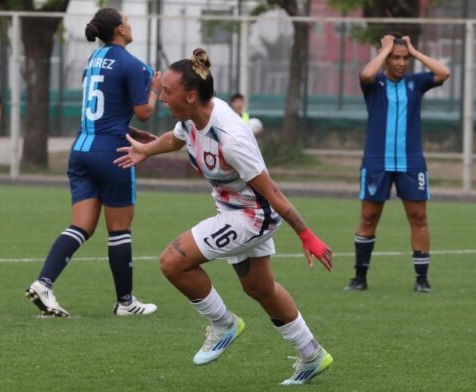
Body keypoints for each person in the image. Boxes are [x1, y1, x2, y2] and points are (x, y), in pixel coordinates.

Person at [115, 49, 334, 385]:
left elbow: (273, 193)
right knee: (260, 289)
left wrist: (307, 235)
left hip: (253, 215)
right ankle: (312, 354)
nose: (161, 98)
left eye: (167, 92)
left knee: (172, 261)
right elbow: (176, 139)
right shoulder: (191, 118)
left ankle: (223, 324)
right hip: (232, 210)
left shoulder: (231, 138)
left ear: (190, 96)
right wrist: (146, 149)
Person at [25, 8, 161, 317]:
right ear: (120, 31)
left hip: (81, 150)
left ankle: (44, 283)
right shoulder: (133, 65)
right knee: (119, 229)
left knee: (82, 225)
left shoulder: (92, 61)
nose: (129, 23)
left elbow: (102, 110)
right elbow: (144, 111)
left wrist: (130, 130)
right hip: (113, 154)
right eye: (126, 20)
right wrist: (154, 89)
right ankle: (126, 303)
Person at [345, 34, 450, 293]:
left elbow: (443, 72)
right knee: (368, 217)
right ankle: (360, 278)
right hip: (376, 161)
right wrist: (384, 50)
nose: (402, 63)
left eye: (405, 59)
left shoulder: (416, 83)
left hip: (411, 162)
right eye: (396, 58)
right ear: (386, 59)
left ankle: (422, 279)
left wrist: (414, 51)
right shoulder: (375, 83)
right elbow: (366, 74)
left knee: (419, 217)